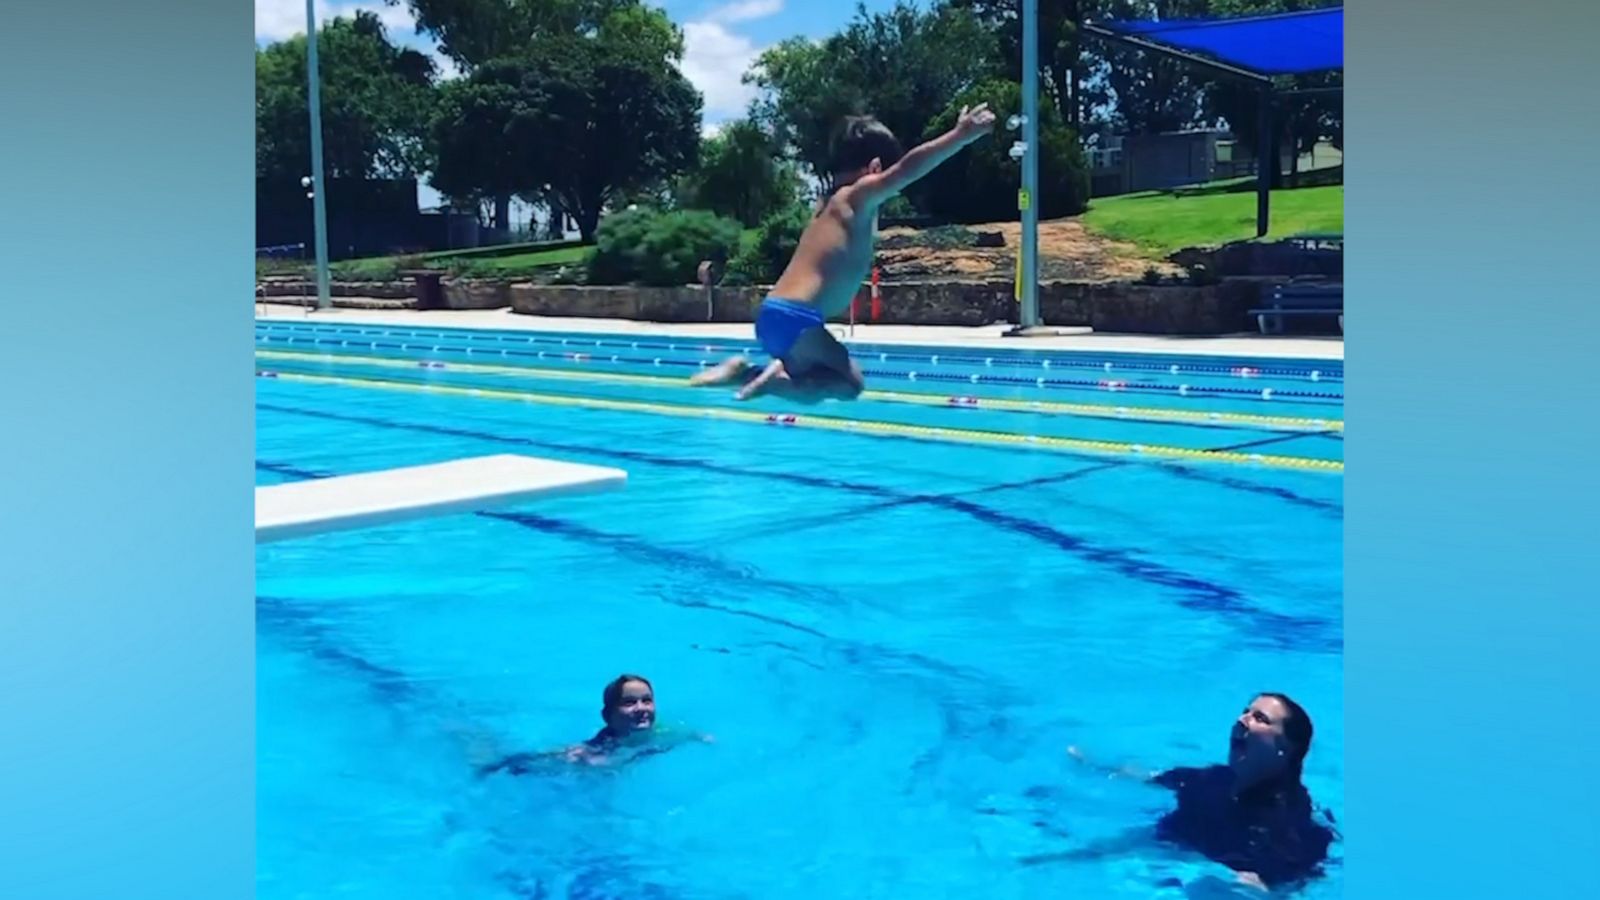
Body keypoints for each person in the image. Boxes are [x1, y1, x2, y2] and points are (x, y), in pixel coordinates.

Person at [690, 105, 997, 402]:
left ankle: (745, 373)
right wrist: (961, 136)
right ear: (875, 168)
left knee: (813, 382)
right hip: (800, 320)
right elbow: (908, 169)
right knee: (850, 385)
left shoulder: (825, 204)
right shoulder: (858, 196)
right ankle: (770, 381)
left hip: (774, 316)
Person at [1057, 693, 1337, 891]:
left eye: (1260, 718)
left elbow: (1278, 885)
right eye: (1245, 711)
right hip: (1170, 853)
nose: (1242, 720)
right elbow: (1151, 778)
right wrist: (1092, 765)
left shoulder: (1289, 825)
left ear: (1285, 750)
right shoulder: (1210, 779)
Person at [477, 674, 710, 774]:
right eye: (629, 703)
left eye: (646, 700)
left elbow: (687, 734)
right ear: (608, 716)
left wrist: (702, 737)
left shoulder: (662, 730)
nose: (641, 708)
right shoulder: (599, 749)